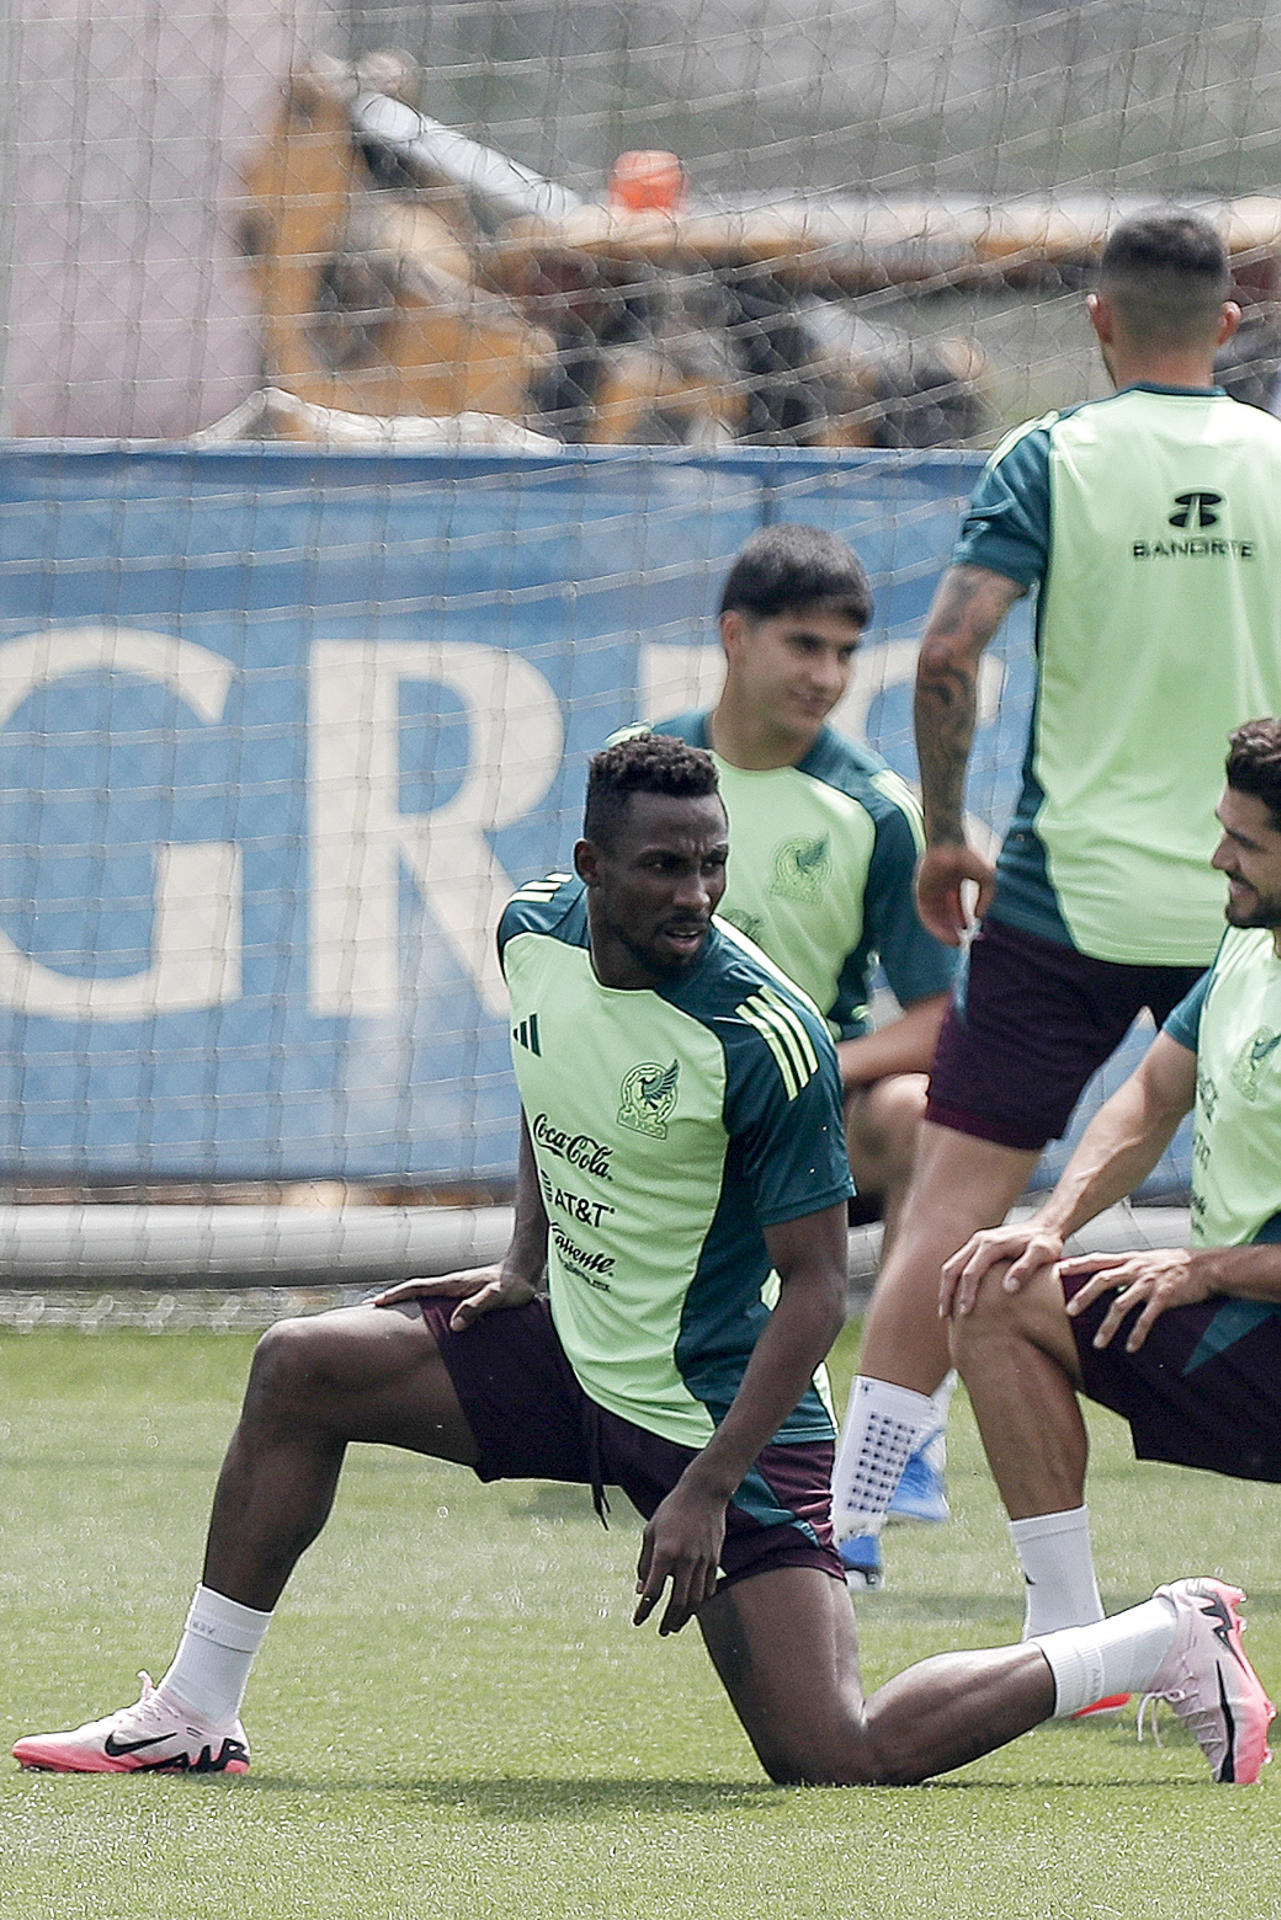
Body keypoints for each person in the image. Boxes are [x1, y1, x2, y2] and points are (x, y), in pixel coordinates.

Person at [11, 735, 1270, 1787]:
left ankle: (1160, 1634)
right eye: (666, 867)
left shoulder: (764, 1035)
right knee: (302, 1364)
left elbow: (821, 1293)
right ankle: (192, 1713)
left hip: (728, 1415)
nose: (696, 895)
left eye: (713, 867)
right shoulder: (529, 936)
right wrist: (522, 1261)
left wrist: (710, 1486)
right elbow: (547, 1079)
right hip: (573, 1362)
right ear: (590, 868)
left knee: (834, 1754)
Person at [832, 207, 1281, 1590]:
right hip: (1246, 885)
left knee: (954, 1204)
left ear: (1094, 319)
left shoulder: (1050, 457)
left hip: (1063, 894)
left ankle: (840, 1525)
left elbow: (947, 654)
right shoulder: (1278, 461)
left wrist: (948, 831)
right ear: (1226, 325)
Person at [646, 523, 960, 1555]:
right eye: (803, 646)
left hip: (813, 1121)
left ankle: (897, 1431)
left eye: (844, 653)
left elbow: (937, 1018)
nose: (827, 675)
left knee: (922, 1118)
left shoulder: (874, 808)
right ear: (735, 635)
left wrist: (813, 1069)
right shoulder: (649, 781)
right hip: (667, 1112)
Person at [943, 719, 1281, 1644]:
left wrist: (1210, 1268)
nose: (1218, 858)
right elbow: (1149, 1095)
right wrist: (1050, 1225)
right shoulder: (1248, 950)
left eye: (1245, 844)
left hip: (1242, 1295)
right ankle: (1067, 1642)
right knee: (995, 1290)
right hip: (1249, 1323)